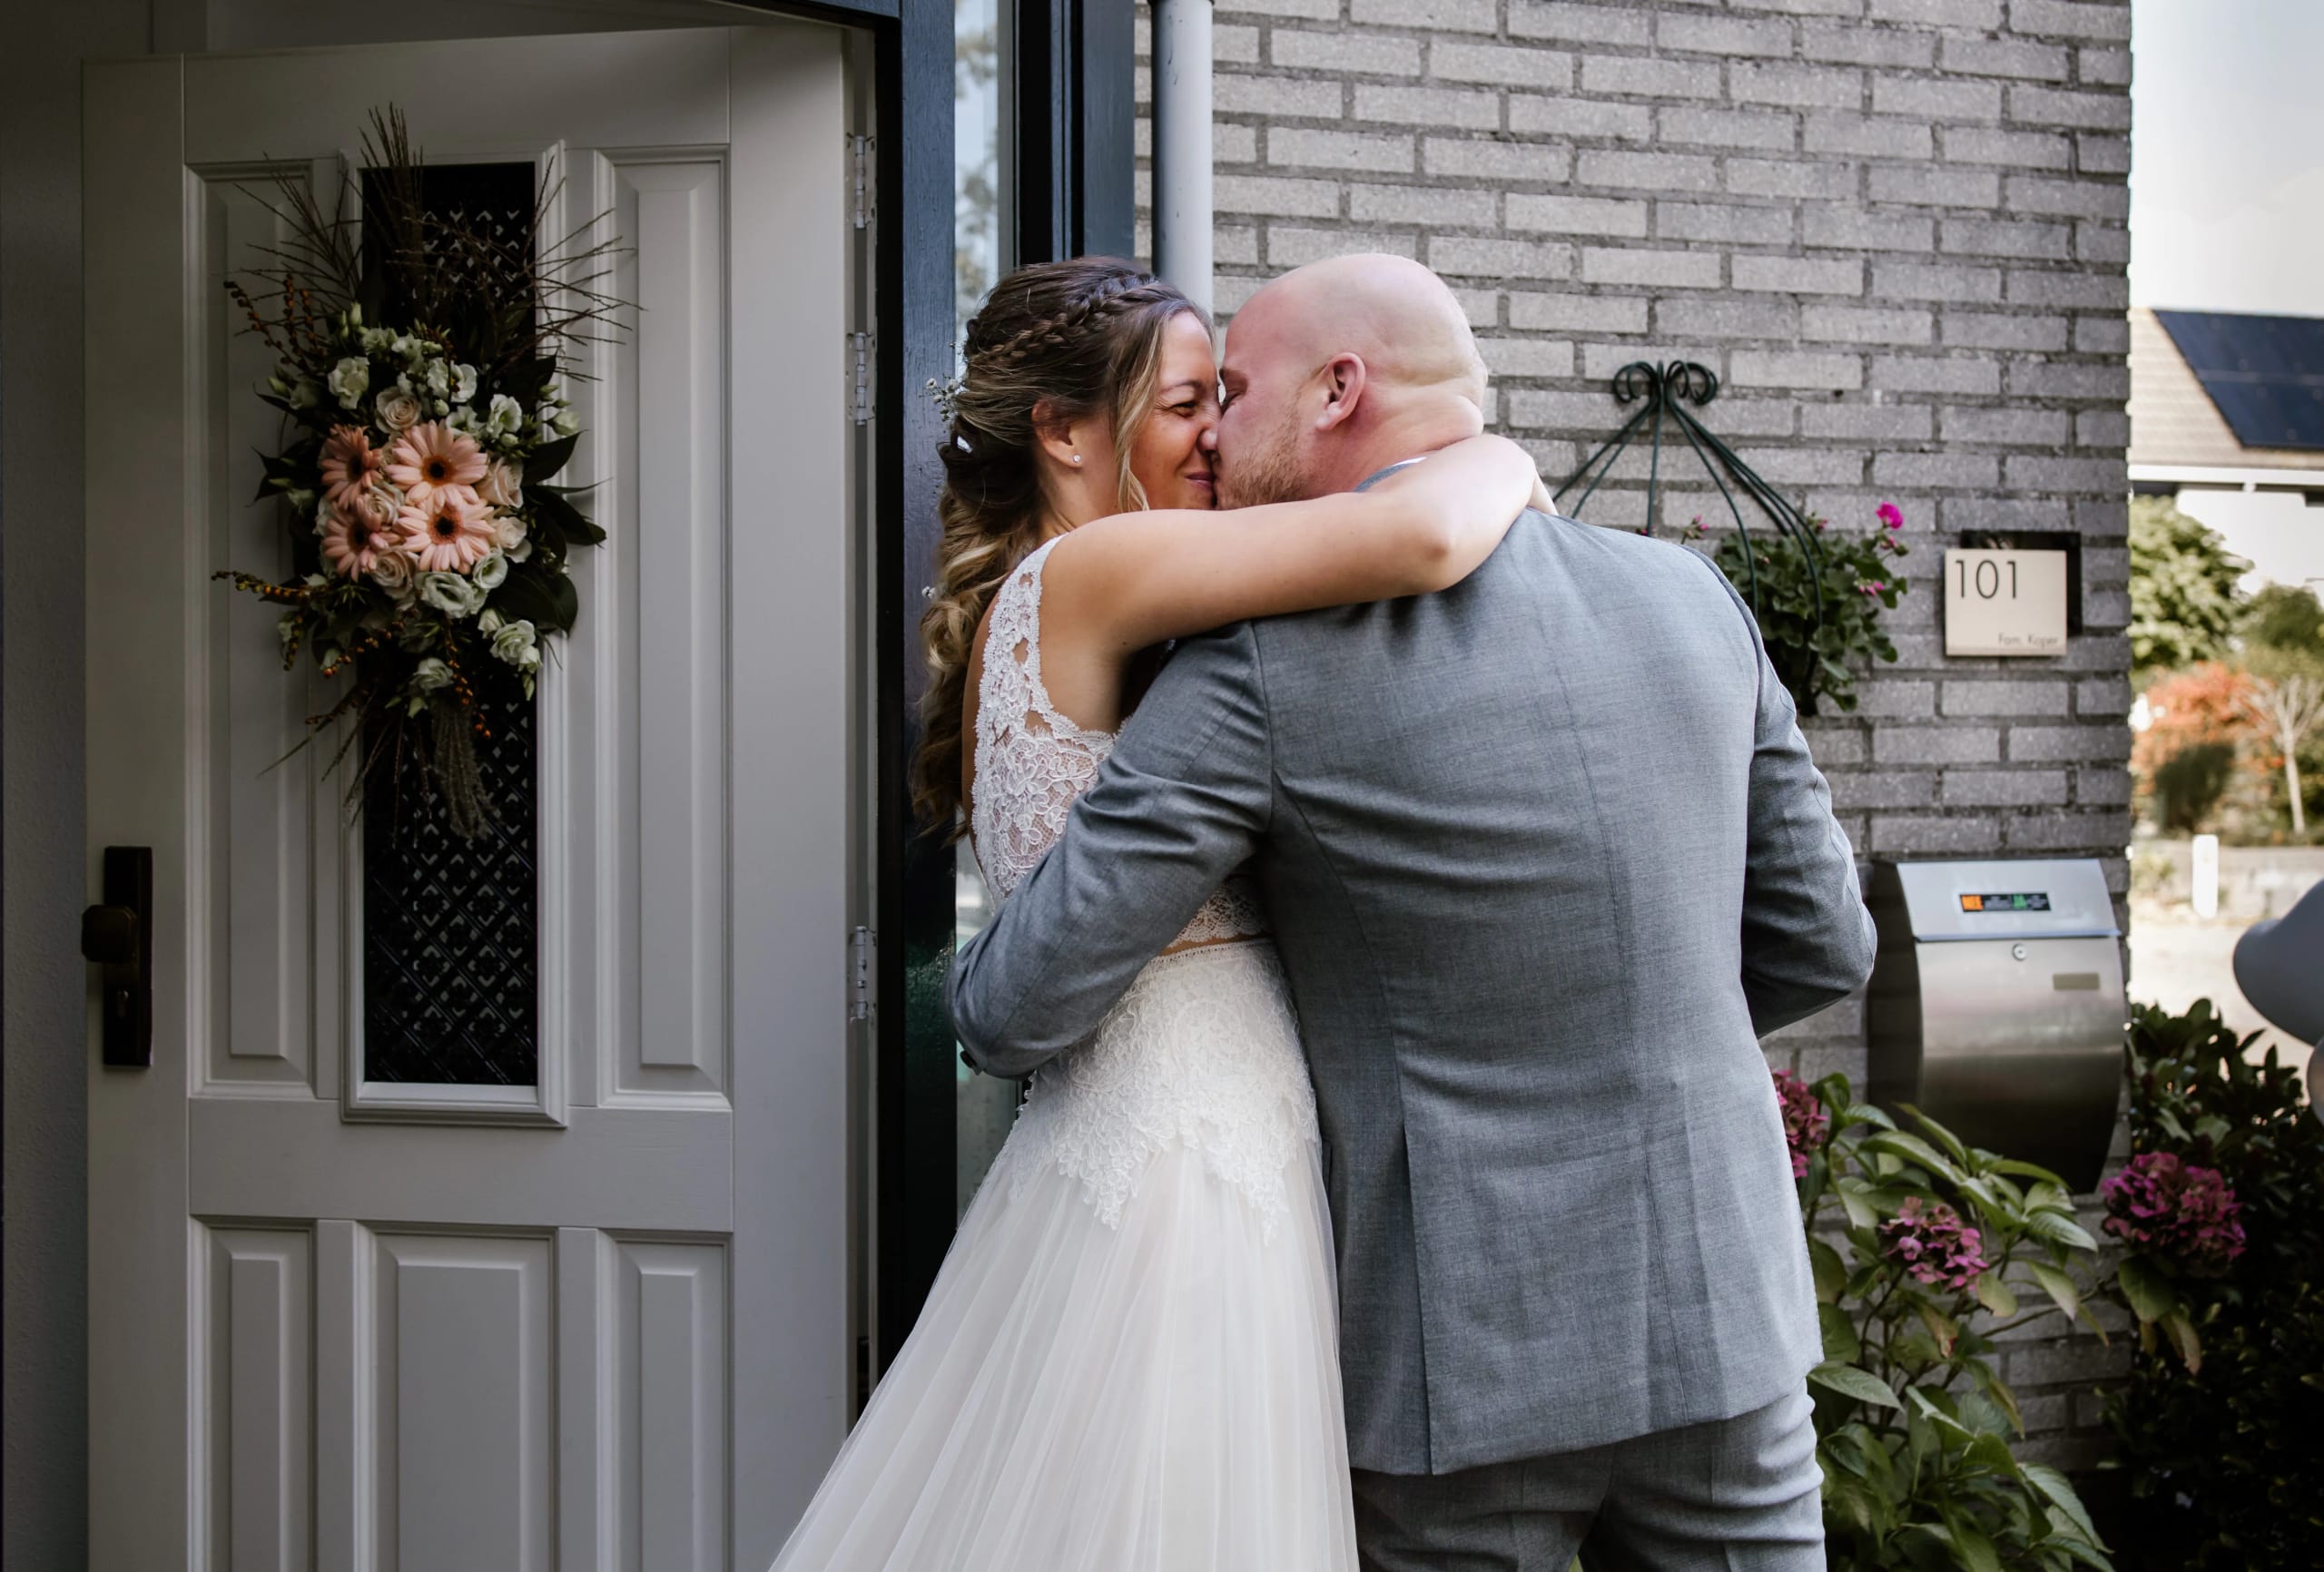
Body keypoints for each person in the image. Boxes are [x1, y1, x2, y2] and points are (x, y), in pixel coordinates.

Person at [950, 252, 1878, 1571]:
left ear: (1338, 392)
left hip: (1457, 1363)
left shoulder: (1257, 667)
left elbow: (1022, 998)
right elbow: (1825, 941)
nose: (1213, 430)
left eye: (1240, 390)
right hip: (1721, 1319)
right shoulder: (1697, 602)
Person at [767, 256, 1546, 1570]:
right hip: (1188, 1156)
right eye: (1191, 401)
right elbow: (1415, 540)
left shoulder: (1074, 593)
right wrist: (1502, 461)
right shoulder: (1100, 571)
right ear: (1067, 433)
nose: (1221, 433)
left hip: (1165, 1126)